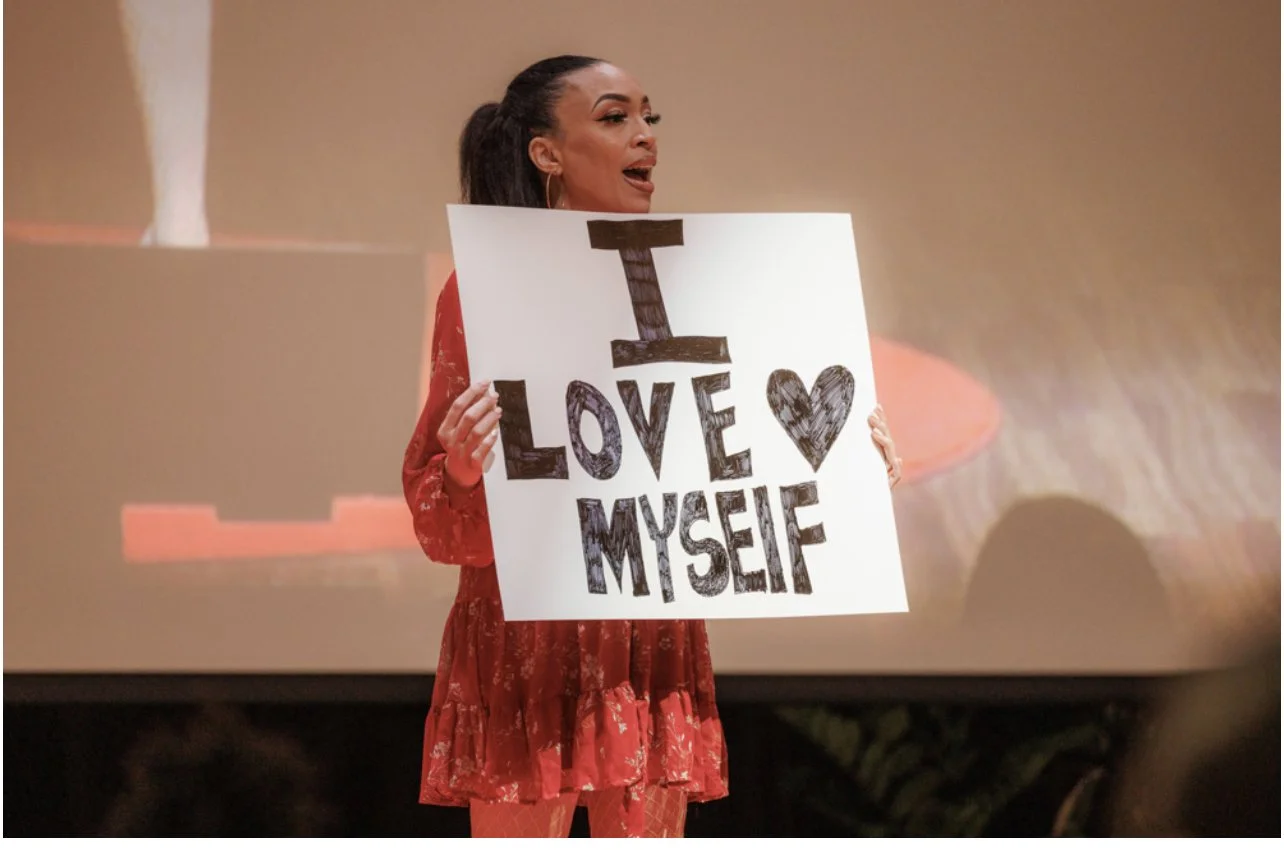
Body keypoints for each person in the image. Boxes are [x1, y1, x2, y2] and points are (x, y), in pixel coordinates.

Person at [402, 55, 904, 839]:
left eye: (649, 118)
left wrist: (846, 477)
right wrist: (464, 472)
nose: (645, 138)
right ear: (547, 153)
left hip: (645, 650)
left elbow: (744, 451)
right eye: (614, 117)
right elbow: (440, 526)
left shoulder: (701, 284)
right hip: (524, 648)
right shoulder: (482, 294)